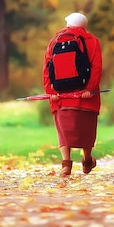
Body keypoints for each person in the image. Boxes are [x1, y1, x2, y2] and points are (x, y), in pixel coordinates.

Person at [42, 12, 103, 176]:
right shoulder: (92, 42)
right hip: (85, 96)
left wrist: (51, 92)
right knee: (87, 127)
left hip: (61, 97)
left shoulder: (54, 41)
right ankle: (87, 160)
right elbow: (96, 68)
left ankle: (66, 164)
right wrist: (89, 89)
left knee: (63, 128)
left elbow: (47, 69)